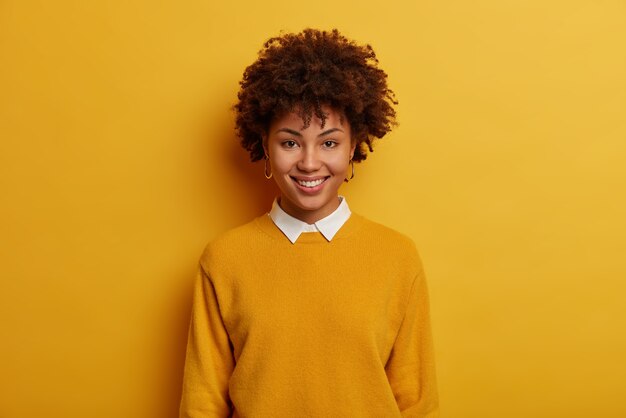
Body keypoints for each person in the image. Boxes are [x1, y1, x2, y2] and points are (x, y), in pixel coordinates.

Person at [179, 28, 439, 417]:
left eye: (329, 142)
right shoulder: (224, 259)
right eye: (290, 142)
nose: (310, 162)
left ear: (354, 145)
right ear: (264, 145)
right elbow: (202, 403)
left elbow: (417, 401)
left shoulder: (397, 257)